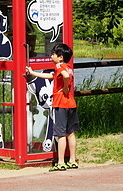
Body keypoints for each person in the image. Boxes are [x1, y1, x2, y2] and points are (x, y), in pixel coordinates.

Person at [25, 42, 79, 171]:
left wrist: (65, 87)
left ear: (60, 57)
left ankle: (60, 162)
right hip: (70, 103)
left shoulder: (60, 66)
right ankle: (72, 160)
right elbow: (51, 76)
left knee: (61, 134)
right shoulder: (67, 66)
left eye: (54, 54)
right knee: (70, 133)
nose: (51, 55)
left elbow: (65, 77)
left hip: (60, 103)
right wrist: (33, 72)